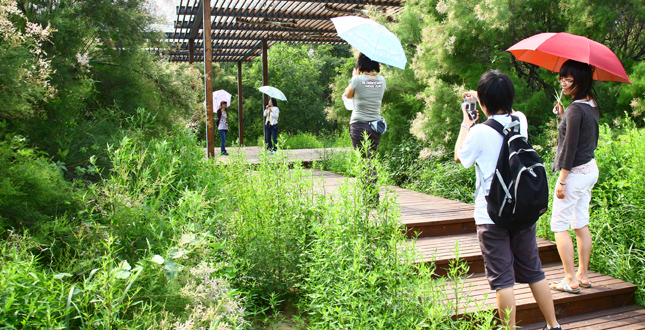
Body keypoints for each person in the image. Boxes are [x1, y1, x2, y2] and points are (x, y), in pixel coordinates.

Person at [454, 70, 560, 330]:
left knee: (503, 281)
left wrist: (466, 123)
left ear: (482, 103)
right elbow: (507, 111)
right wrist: (488, 97)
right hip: (522, 209)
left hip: (492, 214)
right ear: (510, 96)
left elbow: (459, 157)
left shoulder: (478, 132)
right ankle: (554, 325)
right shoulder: (520, 120)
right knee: (534, 271)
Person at [549, 60, 599, 295]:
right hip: (589, 169)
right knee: (580, 222)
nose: (563, 82)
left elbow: (569, 147)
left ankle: (570, 279)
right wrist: (563, 117)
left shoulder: (575, 110)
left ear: (580, 81)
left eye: (568, 79)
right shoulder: (590, 104)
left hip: (575, 173)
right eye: (562, 78)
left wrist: (562, 180)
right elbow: (578, 133)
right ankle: (583, 275)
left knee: (559, 224)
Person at [343, 53, 386, 206]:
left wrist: (353, 77)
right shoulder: (382, 80)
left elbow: (348, 95)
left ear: (360, 64)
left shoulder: (356, 80)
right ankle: (372, 196)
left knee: (363, 161)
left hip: (359, 125)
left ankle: (369, 199)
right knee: (370, 160)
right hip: (375, 126)